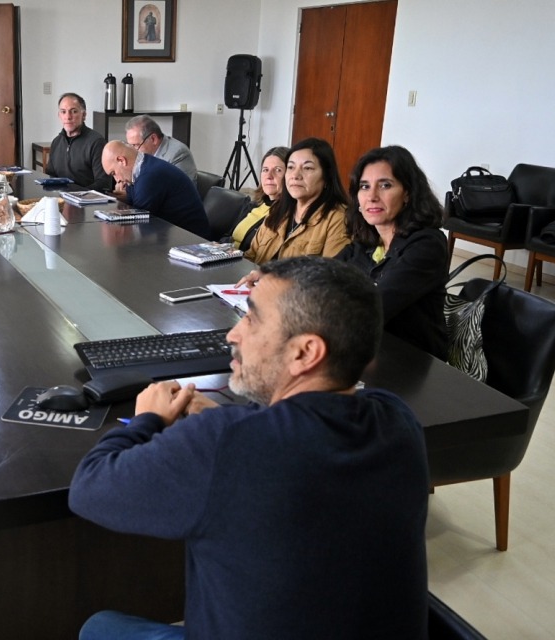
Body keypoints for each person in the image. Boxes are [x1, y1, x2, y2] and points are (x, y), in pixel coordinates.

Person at [69, 256, 430, 639]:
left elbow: (90, 488)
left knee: (99, 627)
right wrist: (239, 421)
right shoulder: (399, 421)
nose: (232, 334)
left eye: (251, 319)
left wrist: (148, 420)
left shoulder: (225, 441)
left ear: (305, 352)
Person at [335, 145, 449, 359]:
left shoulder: (427, 244)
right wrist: (272, 275)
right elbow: (322, 272)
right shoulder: (368, 242)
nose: (372, 196)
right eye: (364, 186)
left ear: (407, 193)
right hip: (368, 348)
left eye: (385, 185)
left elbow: (374, 306)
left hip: (414, 365)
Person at [239, 137, 350, 265]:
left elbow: (329, 278)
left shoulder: (338, 219)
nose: (295, 175)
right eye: (291, 167)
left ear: (326, 177)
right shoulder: (278, 210)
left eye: (307, 168)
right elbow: (251, 256)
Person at [101, 140, 211, 239]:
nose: (117, 180)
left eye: (114, 173)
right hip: (171, 236)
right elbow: (132, 201)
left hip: (192, 241)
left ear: (122, 160)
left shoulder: (150, 175)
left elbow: (138, 220)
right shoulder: (142, 167)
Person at [47, 93, 111, 191]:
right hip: (61, 199)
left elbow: (103, 182)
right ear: (59, 116)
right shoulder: (56, 142)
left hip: (88, 202)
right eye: (63, 112)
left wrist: (78, 194)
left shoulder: (96, 142)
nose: (68, 117)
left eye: (74, 111)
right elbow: (50, 176)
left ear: (84, 115)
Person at [228, 146, 288, 249]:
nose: (269, 175)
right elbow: (228, 236)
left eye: (277, 170)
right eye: (265, 170)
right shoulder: (253, 205)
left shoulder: (287, 216)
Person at [124, 115, 197, 184]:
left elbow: (176, 190)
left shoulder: (178, 154)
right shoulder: (143, 153)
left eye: (136, 145)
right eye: (130, 145)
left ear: (153, 139)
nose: (134, 150)